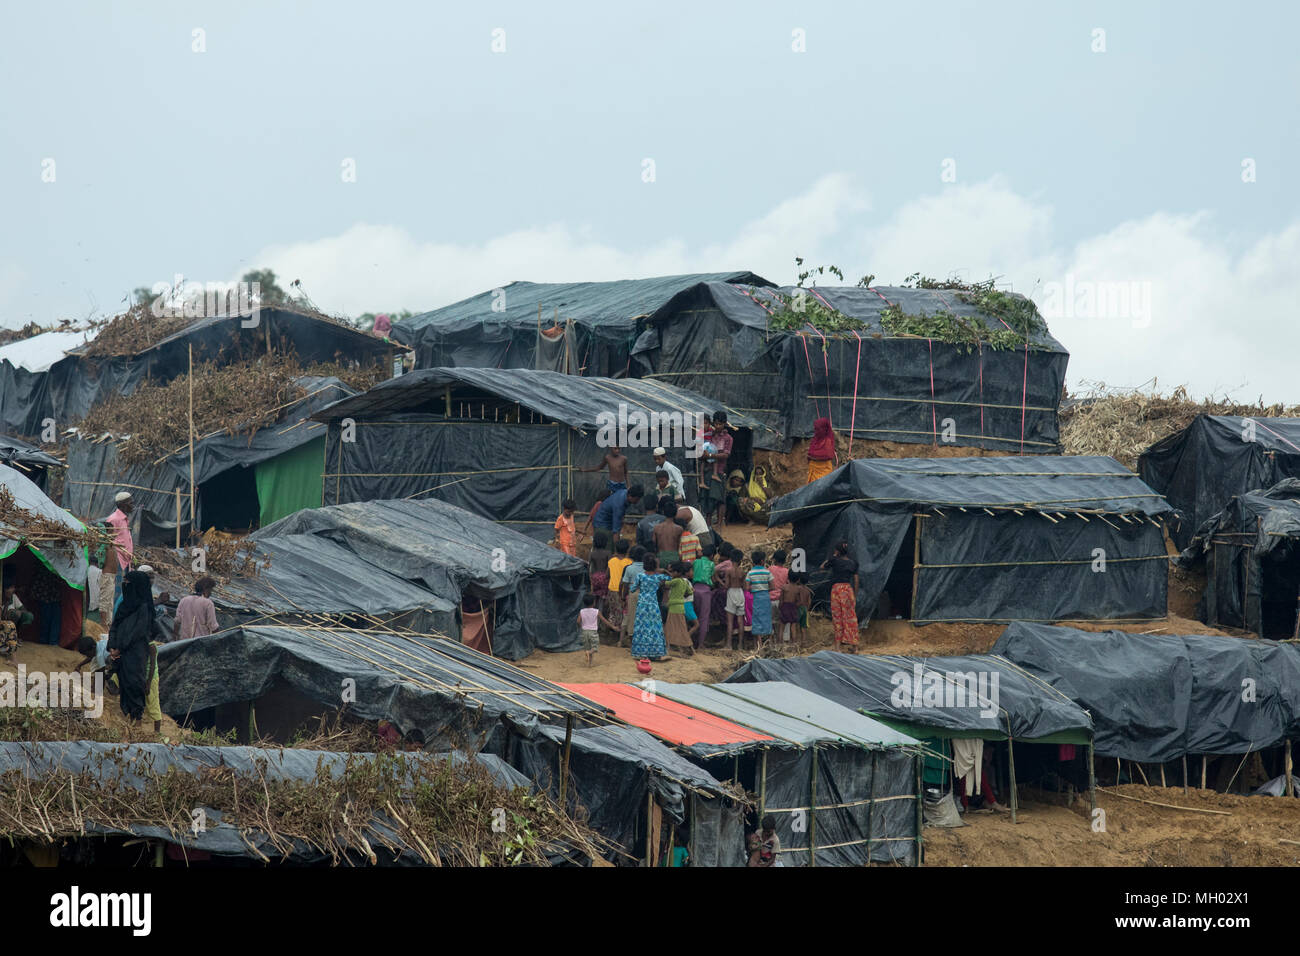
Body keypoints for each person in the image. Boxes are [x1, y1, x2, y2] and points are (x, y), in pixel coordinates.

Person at [107, 570, 161, 723]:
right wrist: (112, 646)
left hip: (136, 654)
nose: (125, 585)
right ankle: (129, 719)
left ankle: (136, 720)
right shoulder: (124, 605)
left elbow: (137, 632)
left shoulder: (143, 608)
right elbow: (115, 625)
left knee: (135, 684)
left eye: (128, 582)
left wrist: (120, 648)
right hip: (121, 654)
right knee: (124, 685)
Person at [101, 491, 135, 628]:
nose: (133, 505)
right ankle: (112, 624)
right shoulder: (114, 519)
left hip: (126, 562)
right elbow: (108, 540)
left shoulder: (124, 519)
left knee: (122, 594)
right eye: (130, 503)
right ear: (122, 504)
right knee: (115, 594)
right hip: (118, 561)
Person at [821, 540, 860, 652]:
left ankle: (838, 647)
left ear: (837, 551)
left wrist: (833, 556)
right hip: (848, 590)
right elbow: (856, 580)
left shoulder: (834, 560)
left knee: (838, 618)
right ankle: (855, 647)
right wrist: (854, 594)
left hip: (837, 590)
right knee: (851, 618)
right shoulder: (854, 563)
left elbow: (822, 566)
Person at [629, 555, 669, 661]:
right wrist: (664, 570)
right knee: (655, 627)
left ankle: (642, 654)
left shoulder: (640, 576)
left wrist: (635, 585)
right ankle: (657, 653)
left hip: (642, 605)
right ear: (655, 566)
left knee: (642, 628)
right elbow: (670, 578)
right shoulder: (658, 577)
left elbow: (632, 589)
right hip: (653, 604)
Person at [699, 412, 732, 527]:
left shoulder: (728, 438)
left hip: (720, 471)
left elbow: (726, 455)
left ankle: (719, 523)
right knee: (707, 497)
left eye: (720, 424)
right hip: (708, 470)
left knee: (720, 498)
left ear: (724, 424)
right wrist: (703, 455)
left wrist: (711, 456)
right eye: (716, 424)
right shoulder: (709, 435)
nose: (717, 426)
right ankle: (707, 524)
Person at [663, 562, 695, 656]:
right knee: (681, 627)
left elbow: (666, 584)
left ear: (677, 572)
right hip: (680, 607)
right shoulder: (684, 582)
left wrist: (663, 575)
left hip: (674, 607)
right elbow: (690, 592)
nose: (671, 574)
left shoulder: (676, 581)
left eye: (672, 572)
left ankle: (671, 647)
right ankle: (687, 647)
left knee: (670, 627)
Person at [175, 576, 219, 641]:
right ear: (205, 589)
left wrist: (175, 636)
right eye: (210, 590)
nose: (211, 593)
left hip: (184, 642)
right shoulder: (208, 603)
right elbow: (213, 627)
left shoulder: (184, 600)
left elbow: (177, 621)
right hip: (200, 642)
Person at [620, 546, 647, 647]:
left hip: (633, 593)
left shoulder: (629, 568)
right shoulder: (647, 568)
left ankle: (632, 642)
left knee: (632, 617)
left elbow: (625, 584)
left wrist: (623, 597)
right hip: (646, 594)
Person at [691, 543, 717, 648]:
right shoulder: (711, 564)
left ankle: (691, 641)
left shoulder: (695, 561)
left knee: (694, 617)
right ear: (712, 556)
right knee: (704, 618)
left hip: (694, 590)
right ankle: (701, 644)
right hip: (705, 591)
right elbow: (713, 580)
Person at [31, 564, 63, 646]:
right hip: (47, 597)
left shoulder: (43, 567)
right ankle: (49, 642)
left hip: (51, 597)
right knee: (48, 620)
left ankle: (49, 642)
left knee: (49, 620)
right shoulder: (51, 568)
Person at [746, 550, 773, 646]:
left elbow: (747, 587)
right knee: (767, 618)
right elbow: (772, 586)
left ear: (753, 562)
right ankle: (770, 643)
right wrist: (764, 589)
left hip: (755, 598)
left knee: (756, 618)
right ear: (762, 561)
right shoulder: (767, 572)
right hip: (765, 597)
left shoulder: (750, 573)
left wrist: (754, 589)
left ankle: (759, 645)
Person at [722, 548, 747, 651]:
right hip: (740, 593)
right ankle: (740, 646)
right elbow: (745, 586)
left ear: (731, 559)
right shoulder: (743, 571)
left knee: (730, 621)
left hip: (731, 592)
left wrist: (721, 582)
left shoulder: (728, 571)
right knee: (740, 621)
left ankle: (729, 645)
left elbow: (727, 585)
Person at [579, 594, 610, 667]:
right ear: (594, 602)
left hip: (584, 631)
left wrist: (581, 626)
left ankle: (589, 664)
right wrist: (613, 627)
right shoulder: (596, 611)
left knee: (587, 648)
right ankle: (589, 654)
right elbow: (604, 620)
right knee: (594, 648)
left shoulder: (582, 611)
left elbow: (578, 621)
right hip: (593, 632)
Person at [807, 416, 837, 484]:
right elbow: (811, 452)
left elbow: (828, 455)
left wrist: (812, 457)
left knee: (821, 490)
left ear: (824, 429)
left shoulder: (827, 441)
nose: (816, 431)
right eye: (815, 429)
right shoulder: (816, 439)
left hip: (823, 472)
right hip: (813, 470)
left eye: (818, 429)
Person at [778, 572, 801, 644]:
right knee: (793, 627)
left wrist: (780, 607)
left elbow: (781, 599)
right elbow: (799, 601)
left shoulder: (784, 587)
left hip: (785, 606)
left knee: (781, 627)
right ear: (798, 580)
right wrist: (796, 607)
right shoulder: (797, 589)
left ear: (788, 578)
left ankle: (780, 644)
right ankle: (794, 645)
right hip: (793, 607)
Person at [768, 550, 789, 618]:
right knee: (782, 623)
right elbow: (788, 585)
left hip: (770, 599)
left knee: (771, 622)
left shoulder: (770, 569)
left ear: (775, 560)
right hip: (781, 600)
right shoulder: (787, 571)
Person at [86, 556, 102, 623]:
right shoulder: (99, 571)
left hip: (86, 602)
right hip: (96, 603)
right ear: (96, 563)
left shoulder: (85, 571)